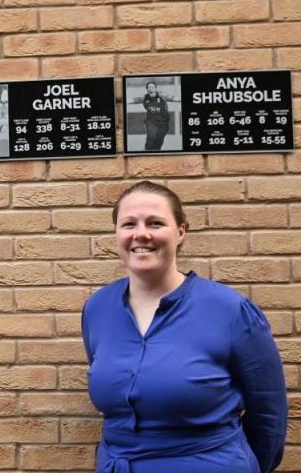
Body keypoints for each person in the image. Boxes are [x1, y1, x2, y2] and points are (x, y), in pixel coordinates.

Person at [82, 181, 287, 473]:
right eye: (129, 224)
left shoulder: (230, 310)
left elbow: (269, 414)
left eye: (155, 222)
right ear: (117, 233)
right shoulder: (97, 309)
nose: (141, 233)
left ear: (180, 231)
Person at [131, 81, 180, 151]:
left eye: (152, 87)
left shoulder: (163, 96)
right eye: (148, 88)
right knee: (151, 139)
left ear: (156, 88)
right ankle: (145, 152)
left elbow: (175, 98)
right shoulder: (145, 98)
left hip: (163, 122)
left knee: (158, 142)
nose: (150, 89)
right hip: (151, 121)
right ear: (147, 89)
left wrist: (179, 99)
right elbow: (133, 100)